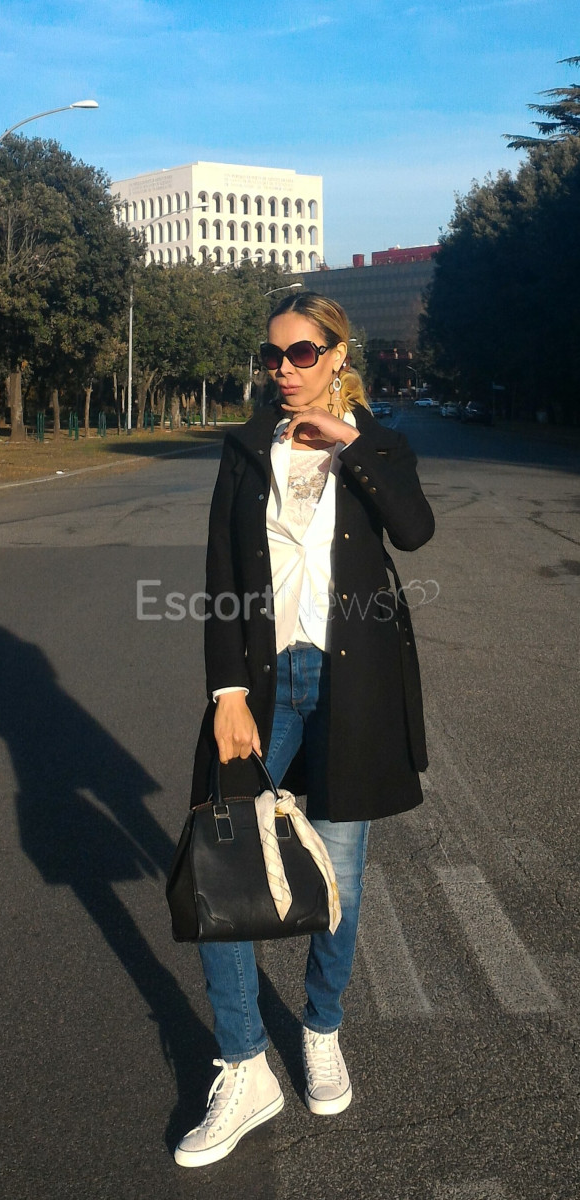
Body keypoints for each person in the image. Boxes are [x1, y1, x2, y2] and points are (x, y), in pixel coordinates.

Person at [175, 292, 435, 1168]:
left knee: (339, 875)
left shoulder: (378, 442)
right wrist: (225, 690)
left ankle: (321, 1029)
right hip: (259, 683)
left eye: (301, 352)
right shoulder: (248, 445)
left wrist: (349, 442)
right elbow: (221, 570)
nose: (283, 368)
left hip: (351, 683)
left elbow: (414, 530)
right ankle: (246, 1065)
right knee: (224, 860)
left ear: (335, 354)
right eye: (272, 354)